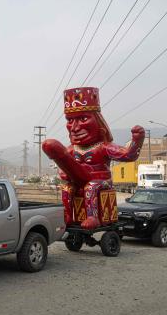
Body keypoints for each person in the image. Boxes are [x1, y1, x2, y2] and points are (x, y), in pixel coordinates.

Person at [42, 87, 144, 229]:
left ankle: (93, 216)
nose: (75, 127)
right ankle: (67, 215)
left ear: (98, 121)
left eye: (83, 118)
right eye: (70, 120)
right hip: (79, 183)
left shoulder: (103, 147)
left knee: (91, 186)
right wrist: (64, 173)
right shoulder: (71, 149)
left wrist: (137, 141)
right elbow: (63, 169)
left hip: (102, 182)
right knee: (66, 187)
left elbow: (129, 155)